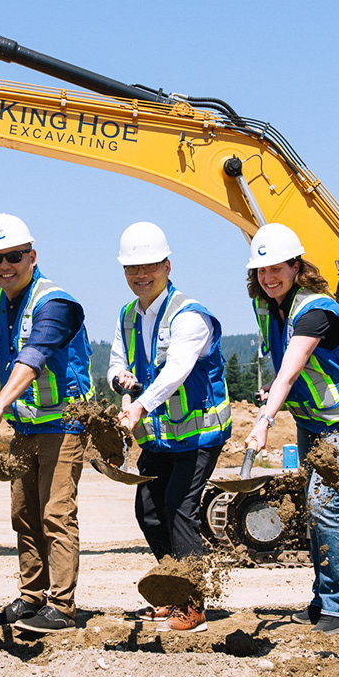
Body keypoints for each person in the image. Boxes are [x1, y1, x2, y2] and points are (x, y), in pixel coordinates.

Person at [242, 222, 339, 634]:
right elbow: (283, 364)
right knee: (311, 505)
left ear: (296, 266)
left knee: (322, 503)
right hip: (312, 416)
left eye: (277, 268)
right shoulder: (270, 305)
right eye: (261, 271)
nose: (268, 277)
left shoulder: (315, 310)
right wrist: (275, 391)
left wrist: (264, 420)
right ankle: (322, 599)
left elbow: (292, 366)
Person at [0, 212, 94, 635]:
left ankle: (62, 606)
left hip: (63, 427)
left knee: (56, 514)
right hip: (26, 428)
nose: (5, 265)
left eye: (14, 256)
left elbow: (33, 356)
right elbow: (4, 353)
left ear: (32, 256)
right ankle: (31, 597)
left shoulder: (55, 303)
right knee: (24, 514)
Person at [108, 222, 232, 633]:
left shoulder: (189, 315)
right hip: (160, 437)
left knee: (180, 507)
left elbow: (177, 368)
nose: (140, 275)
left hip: (198, 434)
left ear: (167, 264)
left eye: (149, 267)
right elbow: (116, 362)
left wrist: (141, 403)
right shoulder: (128, 316)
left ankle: (192, 604)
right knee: (148, 510)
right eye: (132, 268)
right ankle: (171, 590)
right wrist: (120, 382)